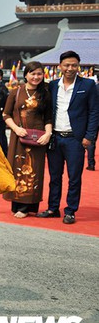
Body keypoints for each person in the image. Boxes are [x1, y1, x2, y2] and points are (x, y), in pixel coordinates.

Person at [38, 51, 99, 225]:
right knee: (54, 176)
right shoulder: (53, 85)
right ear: (60, 67)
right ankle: (53, 208)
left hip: (75, 139)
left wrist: (89, 136)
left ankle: (71, 211)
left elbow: (94, 111)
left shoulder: (88, 85)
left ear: (78, 66)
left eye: (73, 65)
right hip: (55, 138)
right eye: (66, 65)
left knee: (74, 177)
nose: (70, 68)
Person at [2, 61, 53, 218]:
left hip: (38, 139)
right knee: (17, 168)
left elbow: (48, 117)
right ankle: (16, 204)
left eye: (39, 74)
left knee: (33, 170)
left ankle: (26, 207)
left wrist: (48, 134)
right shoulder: (15, 92)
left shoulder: (45, 93)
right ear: (26, 75)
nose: (36, 77)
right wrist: (16, 129)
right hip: (19, 138)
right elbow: (6, 114)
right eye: (33, 73)